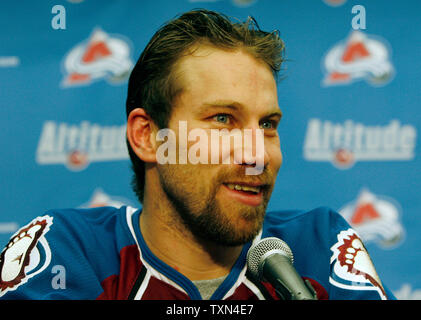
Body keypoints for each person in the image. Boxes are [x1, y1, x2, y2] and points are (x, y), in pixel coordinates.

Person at [0, 9, 394, 300]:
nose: (256, 153)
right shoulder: (70, 252)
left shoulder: (316, 249)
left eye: (268, 124)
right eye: (223, 119)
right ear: (148, 136)